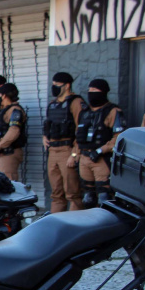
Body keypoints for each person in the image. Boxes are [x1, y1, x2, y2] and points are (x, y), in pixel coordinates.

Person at [74, 79, 126, 208]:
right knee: (87, 197)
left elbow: (119, 137)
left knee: (104, 197)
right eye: (89, 91)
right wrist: (76, 154)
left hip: (101, 159)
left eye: (95, 91)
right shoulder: (85, 112)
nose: (91, 94)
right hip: (84, 158)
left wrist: (101, 150)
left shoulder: (113, 111)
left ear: (103, 92)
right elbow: (78, 136)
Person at [42, 72, 84, 212]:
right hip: (53, 151)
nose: (54, 87)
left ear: (67, 85)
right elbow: (48, 125)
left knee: (72, 193)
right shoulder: (52, 104)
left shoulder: (76, 102)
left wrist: (74, 154)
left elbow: (81, 129)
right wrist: (45, 137)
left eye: (57, 85)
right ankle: (56, 224)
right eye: (53, 84)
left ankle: (74, 226)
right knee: (56, 194)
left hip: (67, 149)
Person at [0, 83, 27, 181]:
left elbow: (14, 132)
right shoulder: (4, 110)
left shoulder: (15, 110)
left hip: (8, 152)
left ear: (4, 95)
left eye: (0, 95)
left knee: (8, 183)